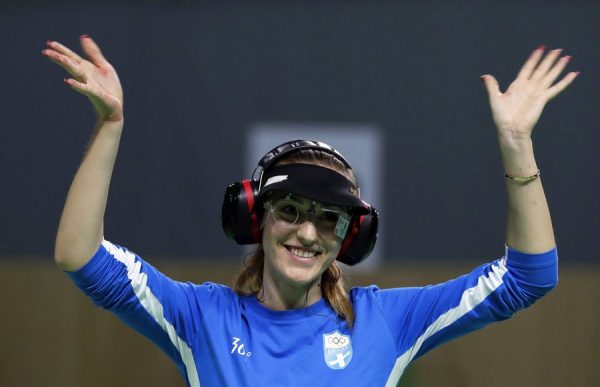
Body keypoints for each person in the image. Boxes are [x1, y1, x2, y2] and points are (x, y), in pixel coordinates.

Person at [44, 35, 578, 386]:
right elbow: (79, 255)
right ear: (255, 216)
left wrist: (515, 143)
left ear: (351, 233)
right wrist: (110, 126)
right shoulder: (200, 318)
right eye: (292, 210)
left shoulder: (387, 323)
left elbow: (529, 278)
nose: (307, 232)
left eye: (328, 217)